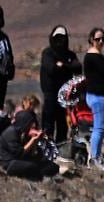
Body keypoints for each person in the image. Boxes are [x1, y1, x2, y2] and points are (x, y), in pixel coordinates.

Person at [0, 88, 56, 176]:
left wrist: (36, 140)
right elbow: (19, 153)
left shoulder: (23, 131)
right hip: (10, 163)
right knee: (33, 166)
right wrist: (33, 140)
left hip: (19, 159)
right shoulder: (11, 133)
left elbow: (30, 152)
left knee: (50, 165)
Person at [76, 24, 104, 166]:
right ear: (91, 39)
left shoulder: (102, 58)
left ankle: (97, 156)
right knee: (99, 127)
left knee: (103, 127)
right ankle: (94, 157)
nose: (101, 42)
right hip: (98, 96)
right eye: (98, 39)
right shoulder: (90, 57)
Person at [36, 23, 75, 151]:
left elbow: (77, 67)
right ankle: (47, 149)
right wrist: (66, 66)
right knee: (48, 123)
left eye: (62, 38)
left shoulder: (70, 54)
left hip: (65, 96)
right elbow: (51, 68)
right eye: (57, 37)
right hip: (50, 94)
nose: (60, 40)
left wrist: (62, 65)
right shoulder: (48, 53)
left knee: (62, 124)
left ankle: (61, 150)